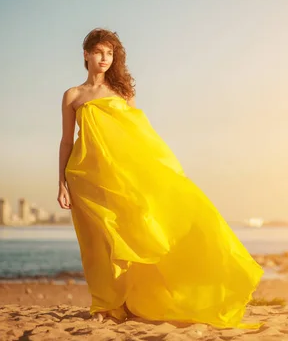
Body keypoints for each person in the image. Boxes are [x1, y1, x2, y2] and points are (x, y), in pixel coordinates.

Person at [57, 28, 263, 329]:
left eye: (110, 53)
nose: (104, 58)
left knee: (132, 235)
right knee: (96, 245)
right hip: (85, 178)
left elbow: (140, 137)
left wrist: (161, 171)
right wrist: (61, 182)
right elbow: (67, 141)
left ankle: (132, 299)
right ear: (86, 55)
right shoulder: (73, 96)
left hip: (122, 179)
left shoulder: (122, 93)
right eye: (99, 52)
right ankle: (106, 303)